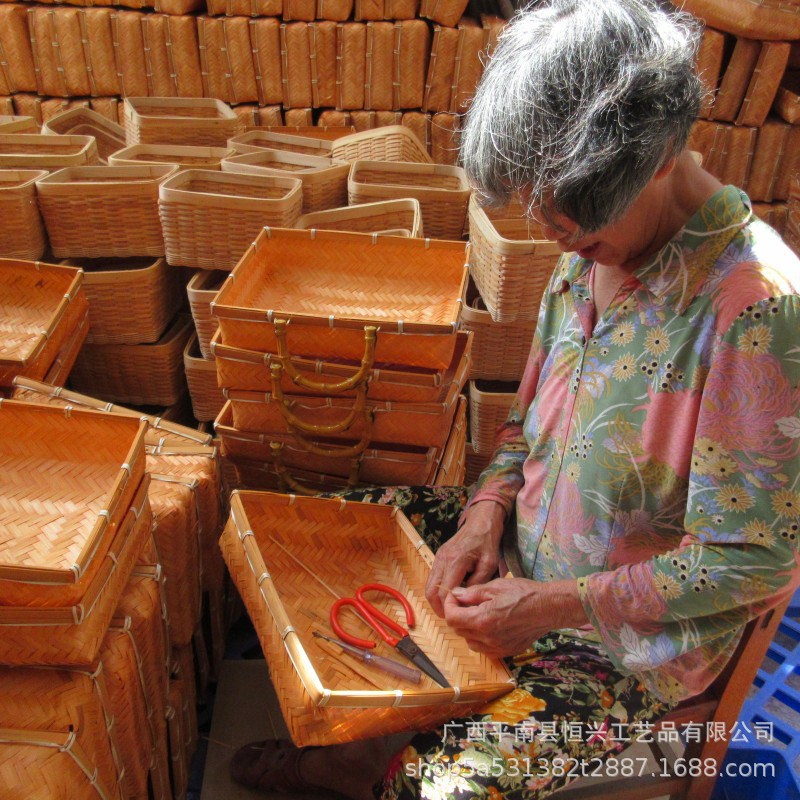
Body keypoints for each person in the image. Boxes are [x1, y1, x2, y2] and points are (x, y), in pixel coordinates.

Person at [229, 0, 800, 797]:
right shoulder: (588, 253)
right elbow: (525, 424)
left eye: (576, 210)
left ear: (663, 152)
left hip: (623, 647)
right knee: (299, 534)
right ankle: (361, 754)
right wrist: (483, 517)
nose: (552, 230)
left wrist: (548, 605)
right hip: (518, 558)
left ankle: (373, 765)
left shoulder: (755, 309)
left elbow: (754, 561)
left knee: (440, 791)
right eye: (540, 203)